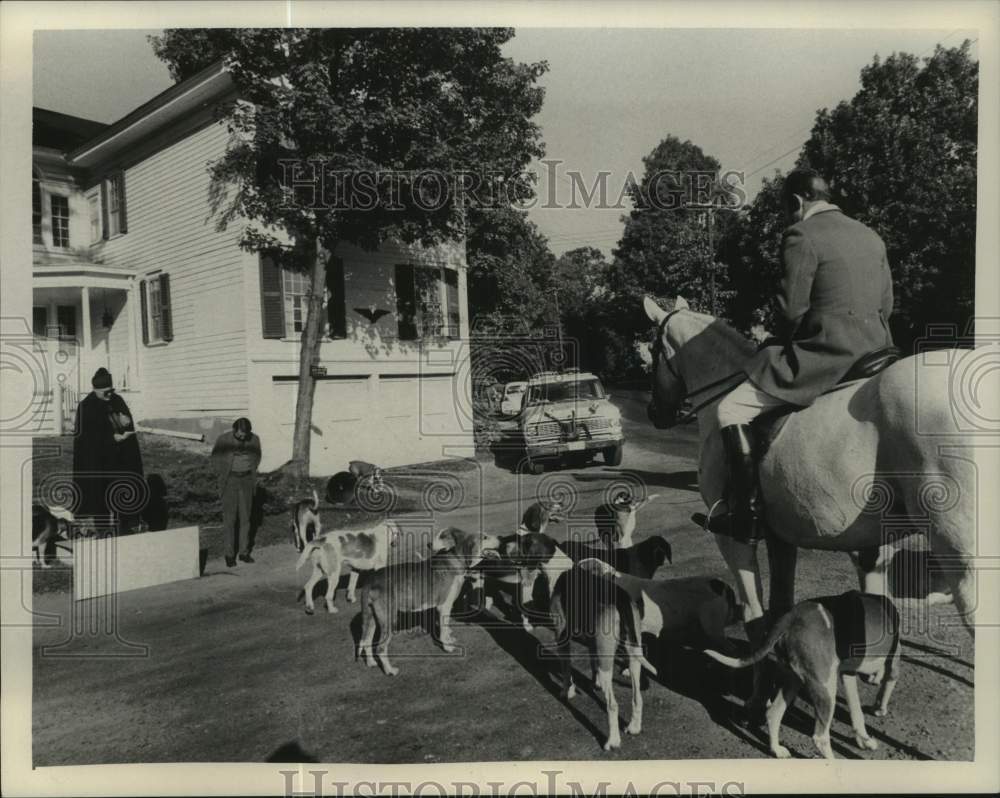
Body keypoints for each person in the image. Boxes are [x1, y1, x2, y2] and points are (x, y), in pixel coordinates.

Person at [707, 168, 895, 543]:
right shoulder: (870, 236)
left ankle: (746, 514)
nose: (785, 217)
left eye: (785, 209)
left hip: (828, 355)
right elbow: (887, 305)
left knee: (730, 410)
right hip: (879, 351)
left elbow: (791, 311)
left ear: (796, 202)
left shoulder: (801, 234)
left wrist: (777, 341)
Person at [72, 367, 145, 533]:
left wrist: (127, 423)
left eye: (111, 390)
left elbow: (125, 422)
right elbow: (86, 441)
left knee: (122, 493)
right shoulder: (86, 407)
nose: (109, 395)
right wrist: (112, 440)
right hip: (98, 464)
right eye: (105, 392)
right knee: (100, 497)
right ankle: (102, 531)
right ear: (95, 390)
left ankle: (125, 529)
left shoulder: (117, 400)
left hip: (120, 462)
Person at [211, 417, 262, 567]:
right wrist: (222, 473)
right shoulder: (223, 439)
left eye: (245, 435)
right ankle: (229, 555)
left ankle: (244, 553)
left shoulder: (255, 439)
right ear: (234, 430)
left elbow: (257, 456)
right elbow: (215, 457)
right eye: (240, 435)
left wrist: (248, 468)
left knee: (246, 518)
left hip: (247, 480)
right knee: (230, 519)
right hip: (230, 481)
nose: (242, 437)